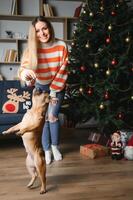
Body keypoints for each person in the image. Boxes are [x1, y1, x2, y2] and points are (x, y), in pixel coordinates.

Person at [18, 16, 68, 165]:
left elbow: (63, 70)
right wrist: (27, 76)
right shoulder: (32, 48)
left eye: (44, 28)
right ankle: (46, 149)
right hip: (40, 88)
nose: (42, 33)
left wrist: (53, 91)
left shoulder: (61, 45)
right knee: (43, 120)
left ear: (50, 28)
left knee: (52, 116)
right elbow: (23, 70)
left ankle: (54, 146)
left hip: (57, 86)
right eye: (38, 31)